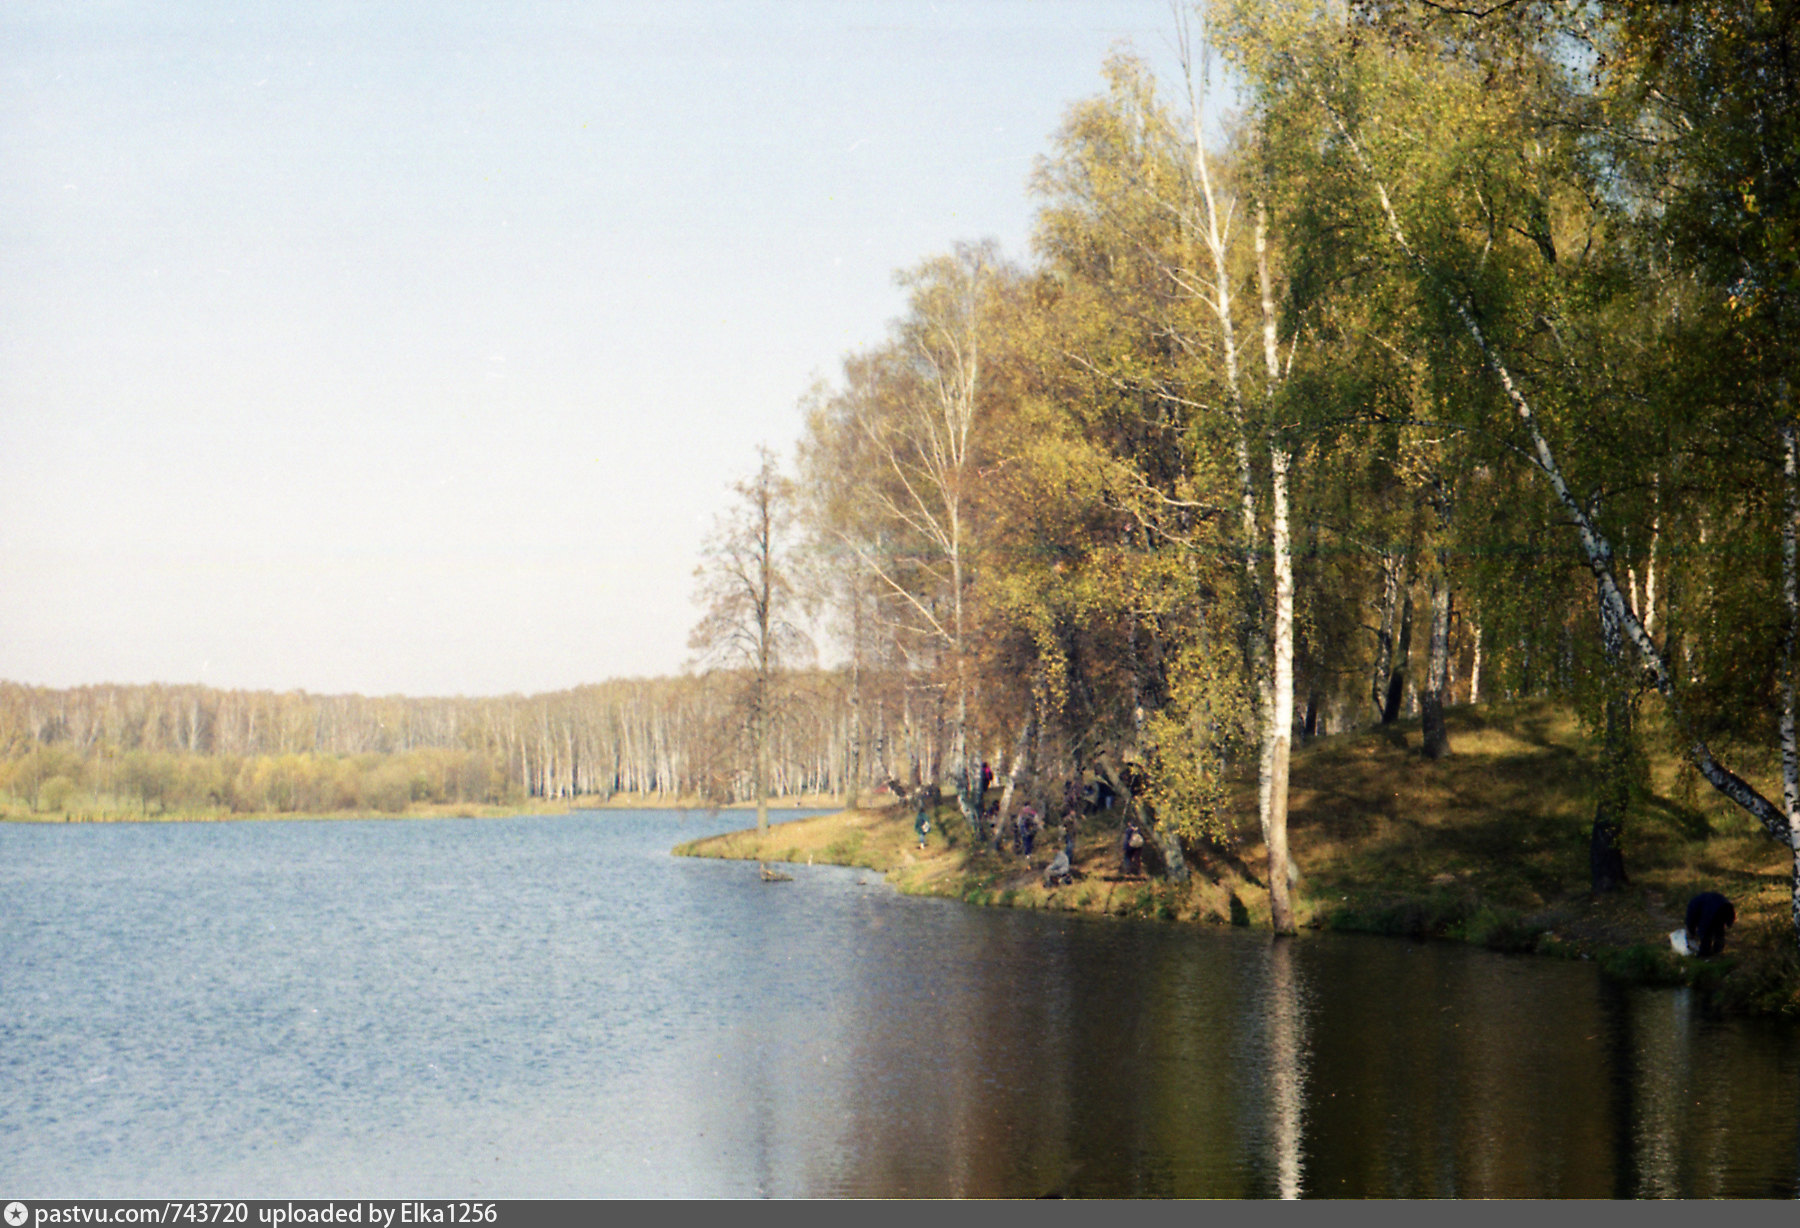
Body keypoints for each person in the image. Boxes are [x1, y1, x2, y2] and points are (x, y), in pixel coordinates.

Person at [1685, 891, 1736, 957]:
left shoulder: (1692, 906)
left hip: (1712, 908)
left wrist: (1691, 933)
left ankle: (1704, 954)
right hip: (1726, 906)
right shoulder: (1699, 901)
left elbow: (1691, 922)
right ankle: (1718, 951)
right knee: (1719, 929)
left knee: (1706, 933)